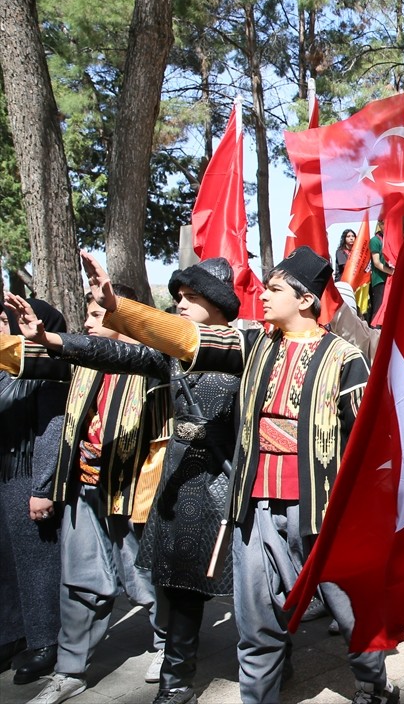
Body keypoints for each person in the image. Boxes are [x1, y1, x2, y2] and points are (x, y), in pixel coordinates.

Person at [83, 247, 396, 704]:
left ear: (306, 299)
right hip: (254, 511)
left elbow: (367, 442)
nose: (263, 297)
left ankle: (374, 686)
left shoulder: (346, 358)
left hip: (321, 513)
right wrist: (118, 308)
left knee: (351, 614)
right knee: (256, 624)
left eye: (274, 289)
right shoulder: (252, 346)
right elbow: (188, 338)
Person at [10, 258, 243, 704]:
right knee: (180, 588)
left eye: (189, 299)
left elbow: (179, 343)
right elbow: (116, 352)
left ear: (215, 303)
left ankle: (278, 656)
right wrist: (49, 339)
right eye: (175, 299)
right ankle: (176, 684)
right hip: (186, 486)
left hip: (232, 483)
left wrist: (118, 306)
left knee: (258, 593)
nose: (179, 306)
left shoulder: (245, 344)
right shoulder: (167, 357)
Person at [0, 285, 170, 704]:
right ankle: (70, 671)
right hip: (84, 488)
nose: (88, 324)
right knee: (79, 583)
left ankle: (167, 648)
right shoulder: (79, 366)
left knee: (144, 578)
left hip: (132, 491)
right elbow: (28, 363)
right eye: (89, 315)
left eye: (97, 316)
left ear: (124, 317)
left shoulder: (156, 363)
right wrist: (28, 337)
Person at [0, 296, 67, 686]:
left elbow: (51, 429)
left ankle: (47, 641)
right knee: (7, 565)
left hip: (27, 476)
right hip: (4, 472)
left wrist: (43, 487)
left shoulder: (43, 369)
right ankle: (11, 635)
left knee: (36, 564)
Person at [367, 223, 393, 325]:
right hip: (380, 280)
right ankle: (375, 333)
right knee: (379, 309)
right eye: (385, 223)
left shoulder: (391, 239)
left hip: (390, 279)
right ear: (381, 224)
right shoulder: (375, 240)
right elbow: (377, 263)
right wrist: (391, 271)